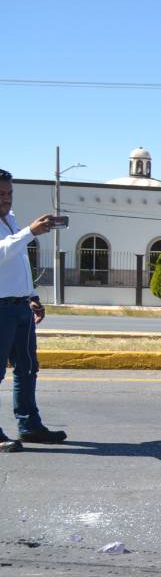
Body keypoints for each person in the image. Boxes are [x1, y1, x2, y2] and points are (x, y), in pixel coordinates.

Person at [0, 168, 66, 452]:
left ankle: (30, 426)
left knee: (27, 369)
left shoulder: (11, 220)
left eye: (9, 193)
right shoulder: (17, 227)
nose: (6, 199)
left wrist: (32, 296)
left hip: (20, 308)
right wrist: (30, 232)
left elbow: (19, 263)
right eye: (1, 194)